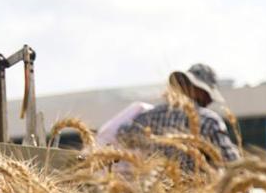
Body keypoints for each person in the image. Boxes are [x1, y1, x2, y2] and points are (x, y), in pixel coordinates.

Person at [97, 63, 241, 171]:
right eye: (208, 94)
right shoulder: (209, 121)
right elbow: (233, 164)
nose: (209, 100)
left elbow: (122, 135)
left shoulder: (147, 117)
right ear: (199, 91)